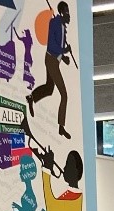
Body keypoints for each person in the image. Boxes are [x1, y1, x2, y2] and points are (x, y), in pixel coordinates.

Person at [27, 2, 73, 139]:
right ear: (61, 12)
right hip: (51, 60)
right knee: (64, 95)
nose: (69, 14)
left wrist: (64, 55)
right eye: (66, 11)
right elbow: (52, 45)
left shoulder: (62, 26)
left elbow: (57, 45)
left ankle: (31, 97)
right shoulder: (55, 22)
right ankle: (61, 127)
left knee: (49, 88)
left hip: (55, 60)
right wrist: (64, 53)